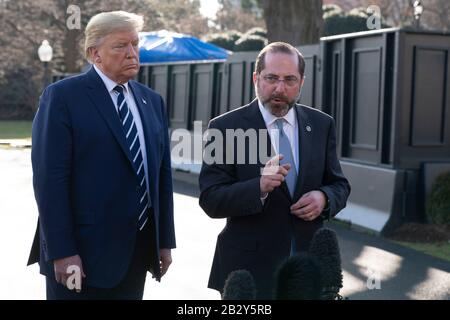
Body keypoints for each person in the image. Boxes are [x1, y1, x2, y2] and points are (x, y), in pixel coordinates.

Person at [27, 11, 175, 300]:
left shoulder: (151, 101)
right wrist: (63, 251)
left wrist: (163, 241)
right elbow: (50, 181)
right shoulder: (62, 97)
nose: (132, 53)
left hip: (135, 254)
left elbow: (161, 176)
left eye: (135, 44)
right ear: (95, 53)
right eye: (121, 46)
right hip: (80, 257)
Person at [199, 42, 350, 299]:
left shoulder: (322, 124)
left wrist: (324, 198)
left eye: (289, 80)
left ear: (301, 82)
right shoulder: (224, 127)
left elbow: (339, 185)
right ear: (256, 78)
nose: (279, 88)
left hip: (306, 270)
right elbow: (211, 199)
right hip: (248, 273)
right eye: (271, 78)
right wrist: (258, 187)